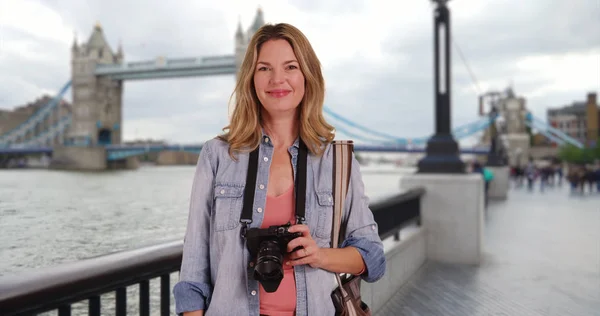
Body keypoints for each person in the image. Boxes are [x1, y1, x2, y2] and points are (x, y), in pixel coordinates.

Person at [173, 23, 386, 316]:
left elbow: (372, 257)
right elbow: (193, 273)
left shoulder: (337, 161)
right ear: (251, 78)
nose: (277, 79)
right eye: (264, 68)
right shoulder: (218, 155)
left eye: (290, 67)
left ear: (307, 76)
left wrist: (319, 255)